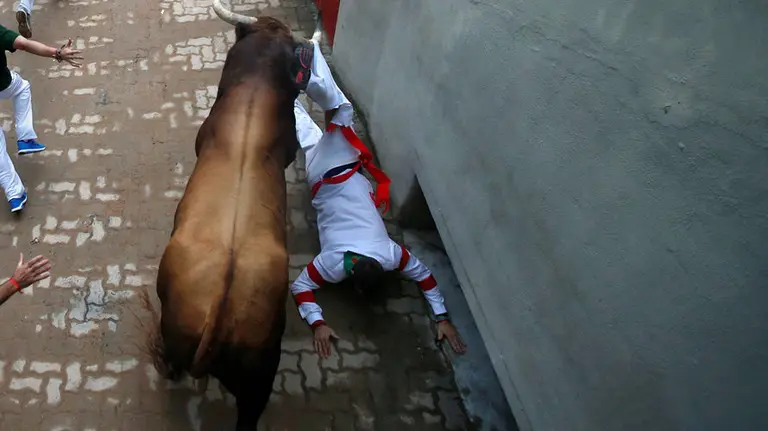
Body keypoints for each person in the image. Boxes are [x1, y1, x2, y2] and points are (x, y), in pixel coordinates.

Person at [289, 40, 467, 358]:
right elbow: (300, 287)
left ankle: (311, 60)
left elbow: (425, 277)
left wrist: (443, 317)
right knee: (305, 131)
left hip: (341, 167)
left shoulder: (390, 254)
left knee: (341, 110)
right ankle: (284, 88)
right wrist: (318, 322)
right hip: (318, 178)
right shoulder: (332, 266)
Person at [0, 25, 83, 212]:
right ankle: (25, 137)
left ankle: (14, 195)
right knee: (22, 89)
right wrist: (57, 53)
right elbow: (23, 44)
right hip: (3, 84)